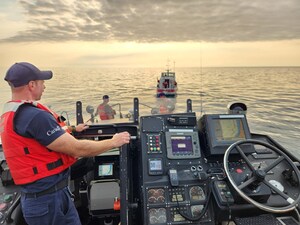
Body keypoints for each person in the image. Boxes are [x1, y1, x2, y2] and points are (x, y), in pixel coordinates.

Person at [0, 62, 130, 225]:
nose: (44, 86)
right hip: (49, 201)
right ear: (32, 85)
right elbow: (78, 148)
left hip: (39, 198)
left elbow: (39, 138)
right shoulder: (34, 116)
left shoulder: (15, 113)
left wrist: (73, 129)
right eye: (42, 82)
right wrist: (114, 141)